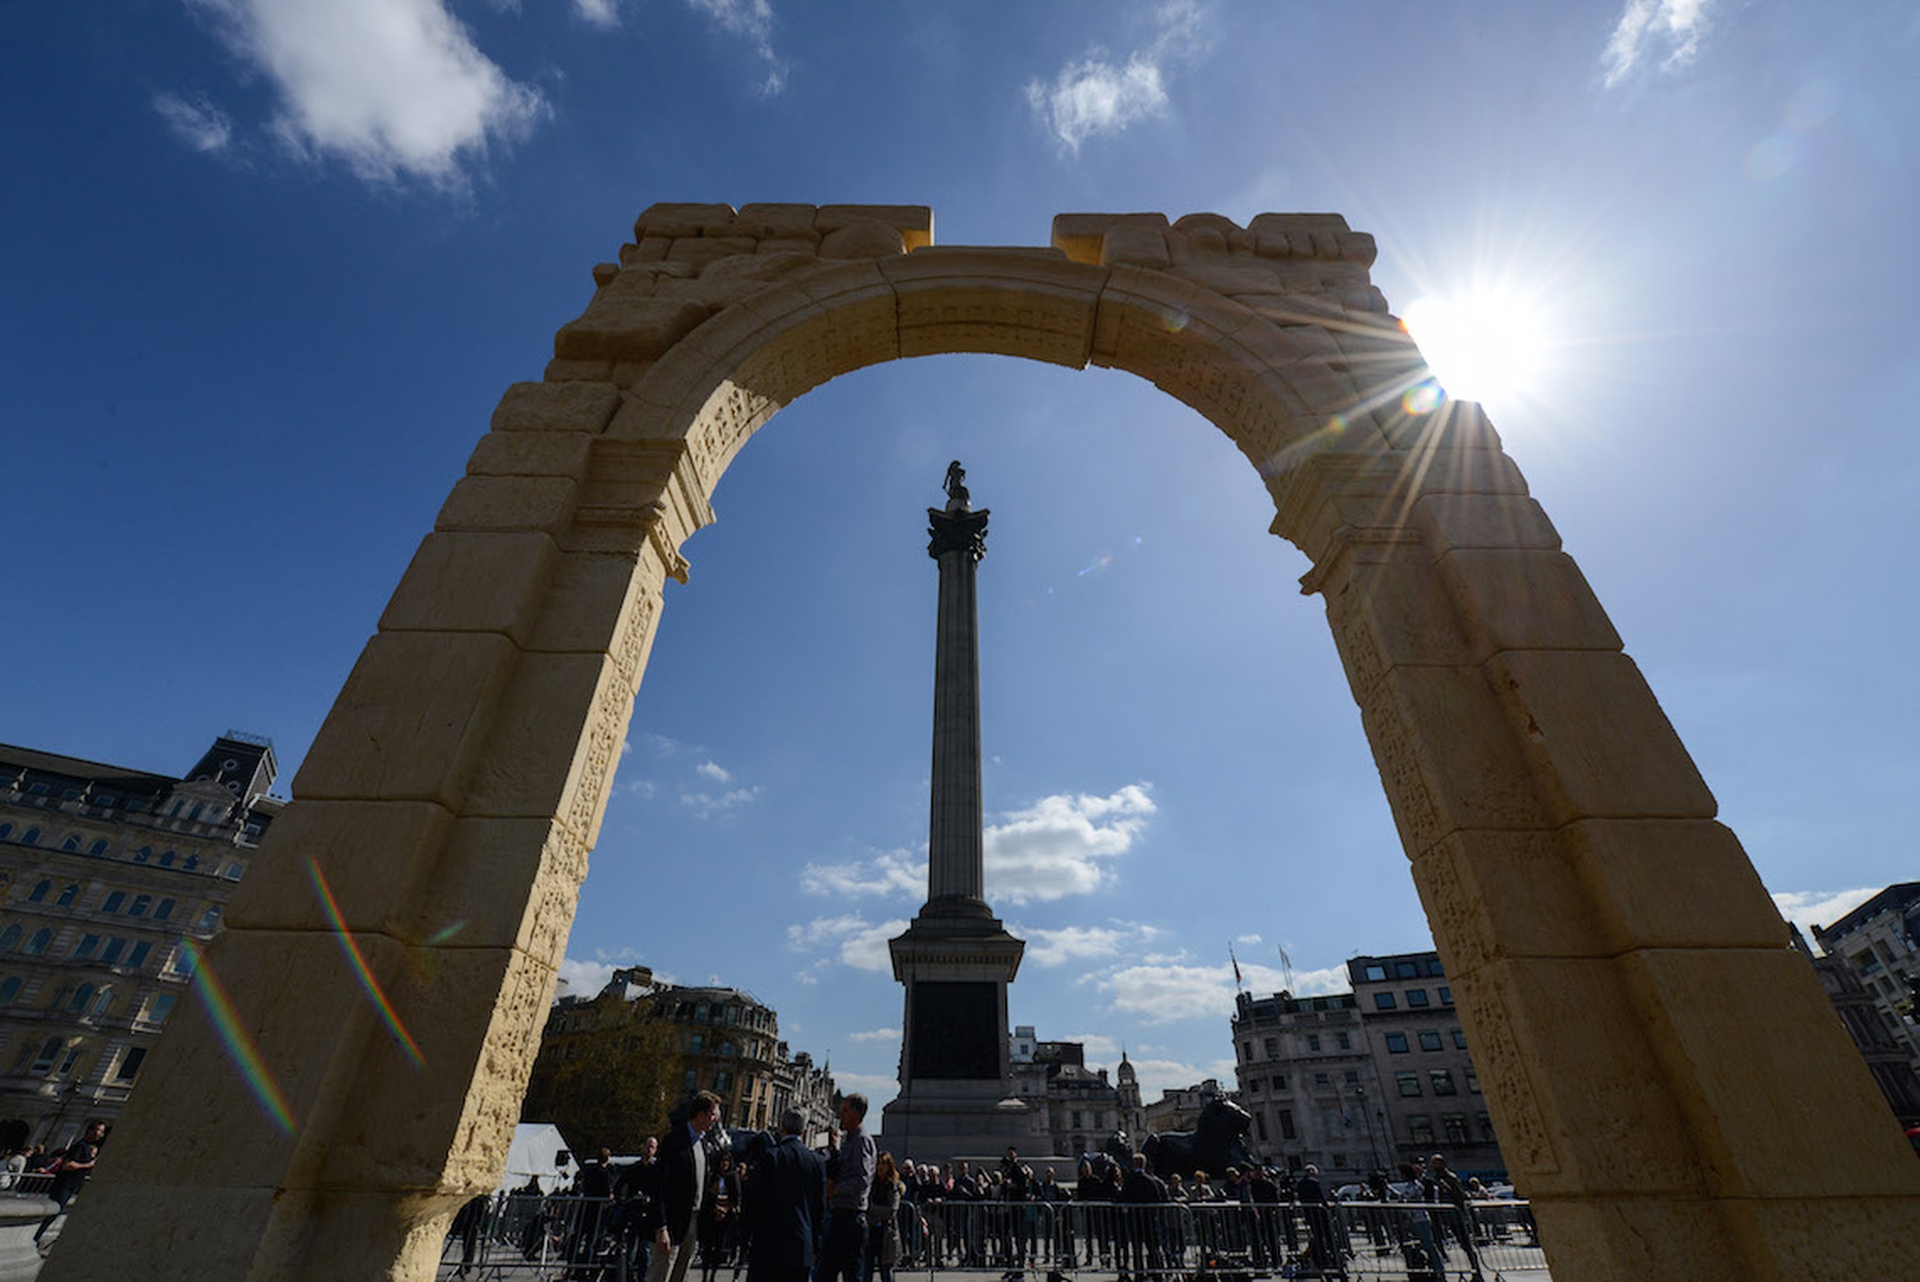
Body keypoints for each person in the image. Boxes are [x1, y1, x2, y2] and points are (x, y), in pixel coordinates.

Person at [744, 1109, 825, 1282]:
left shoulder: (770, 1156)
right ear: (803, 1131)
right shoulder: (816, 1162)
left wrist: (746, 1235)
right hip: (801, 1245)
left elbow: (752, 1198)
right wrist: (815, 1246)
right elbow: (819, 1208)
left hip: (768, 1243)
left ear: (782, 1127)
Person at [649, 1091, 722, 1282]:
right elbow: (660, 1185)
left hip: (694, 1221)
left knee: (680, 1274)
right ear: (700, 1114)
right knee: (661, 1273)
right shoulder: (675, 1140)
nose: (715, 1120)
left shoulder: (705, 1144)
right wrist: (661, 1226)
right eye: (712, 1115)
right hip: (672, 1221)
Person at [819, 1093, 875, 1282]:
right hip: (839, 1215)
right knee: (825, 1273)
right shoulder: (848, 1140)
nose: (839, 1114)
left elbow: (862, 1180)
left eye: (845, 1111)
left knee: (851, 1275)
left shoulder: (861, 1141)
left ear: (856, 1114)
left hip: (850, 1218)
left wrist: (836, 1189)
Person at [34, 1121, 106, 1248]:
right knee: (53, 1211)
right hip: (65, 1184)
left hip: (71, 1185)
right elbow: (67, 1166)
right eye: (100, 1131)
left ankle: (37, 1236)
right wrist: (88, 1165)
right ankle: (36, 1237)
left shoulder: (86, 1147)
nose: (101, 1134)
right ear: (91, 1131)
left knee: (55, 1212)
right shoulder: (80, 1146)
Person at [862, 1151, 903, 1282]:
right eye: (878, 1163)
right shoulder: (870, 1184)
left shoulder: (893, 1185)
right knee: (866, 1270)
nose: (880, 1166)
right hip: (870, 1231)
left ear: (889, 1166)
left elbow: (891, 1210)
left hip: (886, 1233)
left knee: (885, 1271)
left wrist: (873, 1209)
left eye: (883, 1164)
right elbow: (864, 1205)